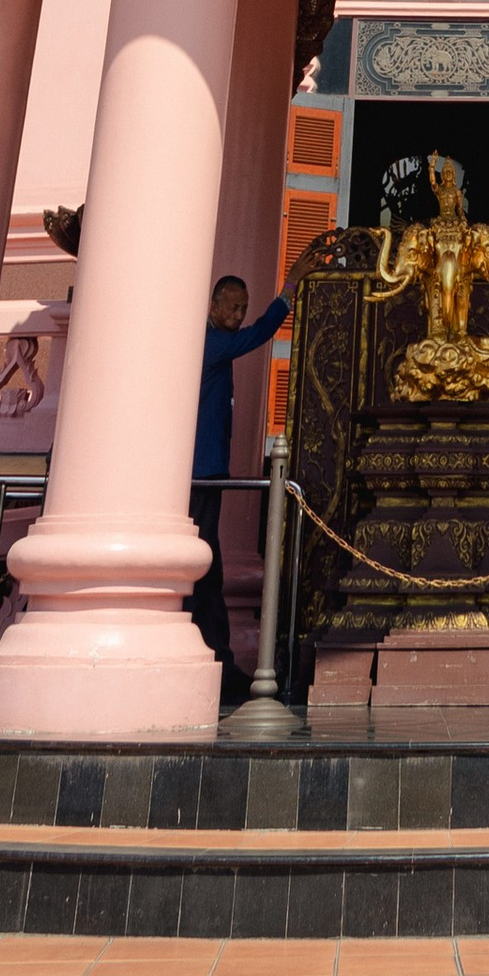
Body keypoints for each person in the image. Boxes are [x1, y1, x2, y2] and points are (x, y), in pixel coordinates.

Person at [190, 258, 300, 684]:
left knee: (208, 566)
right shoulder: (211, 343)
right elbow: (261, 333)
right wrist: (288, 291)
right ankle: (216, 659)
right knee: (204, 566)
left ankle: (218, 657)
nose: (238, 316)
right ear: (214, 305)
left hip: (208, 469)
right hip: (201, 471)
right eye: (233, 308)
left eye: (243, 308)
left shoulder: (212, 341)